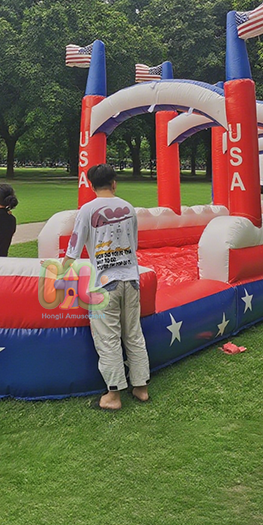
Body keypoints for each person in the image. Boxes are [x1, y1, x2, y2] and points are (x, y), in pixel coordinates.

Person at [62, 163, 150, 411]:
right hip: (131, 279)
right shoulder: (129, 208)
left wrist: (61, 269)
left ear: (91, 185)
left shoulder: (87, 210)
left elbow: (74, 247)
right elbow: (134, 244)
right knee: (133, 333)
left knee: (107, 339)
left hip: (103, 283)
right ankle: (141, 387)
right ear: (114, 183)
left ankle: (113, 395)